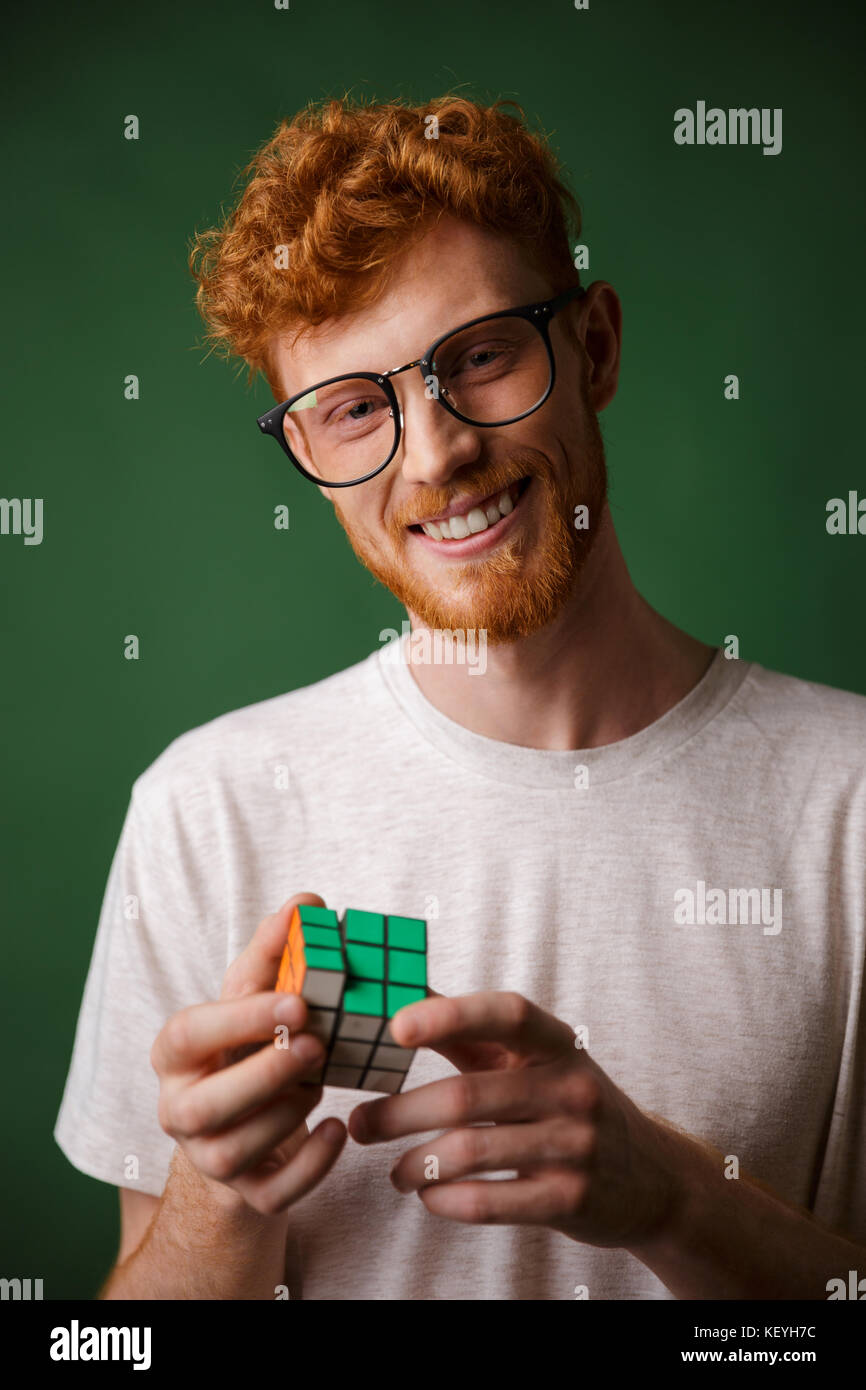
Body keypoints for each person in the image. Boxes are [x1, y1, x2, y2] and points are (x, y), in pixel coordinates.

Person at [54, 94, 866, 1300]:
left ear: (591, 347)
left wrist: (672, 1198)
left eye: (478, 356)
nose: (433, 457)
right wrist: (215, 1200)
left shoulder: (845, 800)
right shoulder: (204, 807)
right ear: (308, 462)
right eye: (353, 410)